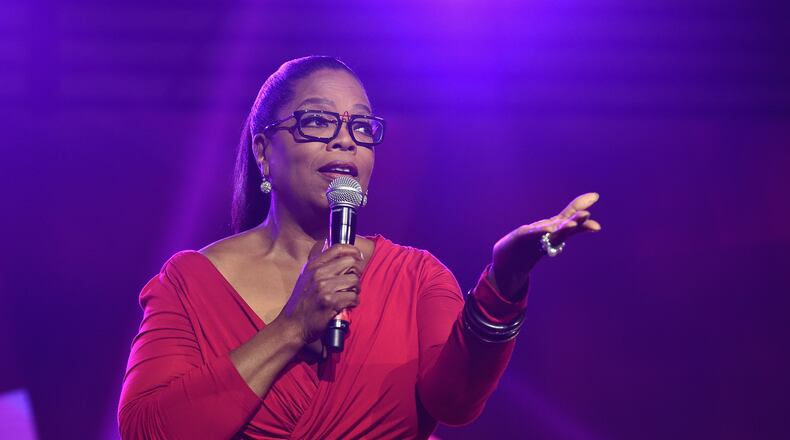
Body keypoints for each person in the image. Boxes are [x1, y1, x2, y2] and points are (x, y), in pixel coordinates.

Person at [117, 56, 602, 439]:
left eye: (362, 128)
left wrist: (505, 281)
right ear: (264, 152)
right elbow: (146, 429)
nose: (345, 142)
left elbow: (455, 404)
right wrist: (291, 327)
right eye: (318, 122)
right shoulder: (190, 284)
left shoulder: (415, 278)